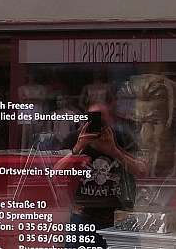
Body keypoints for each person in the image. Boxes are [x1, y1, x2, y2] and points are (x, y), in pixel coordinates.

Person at [54, 99, 148, 248]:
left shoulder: (121, 138)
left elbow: (141, 171)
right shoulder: (75, 139)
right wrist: (78, 148)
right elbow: (55, 173)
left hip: (118, 215)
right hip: (83, 215)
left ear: (110, 120)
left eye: (102, 118)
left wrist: (114, 151)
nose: (97, 123)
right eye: (93, 118)